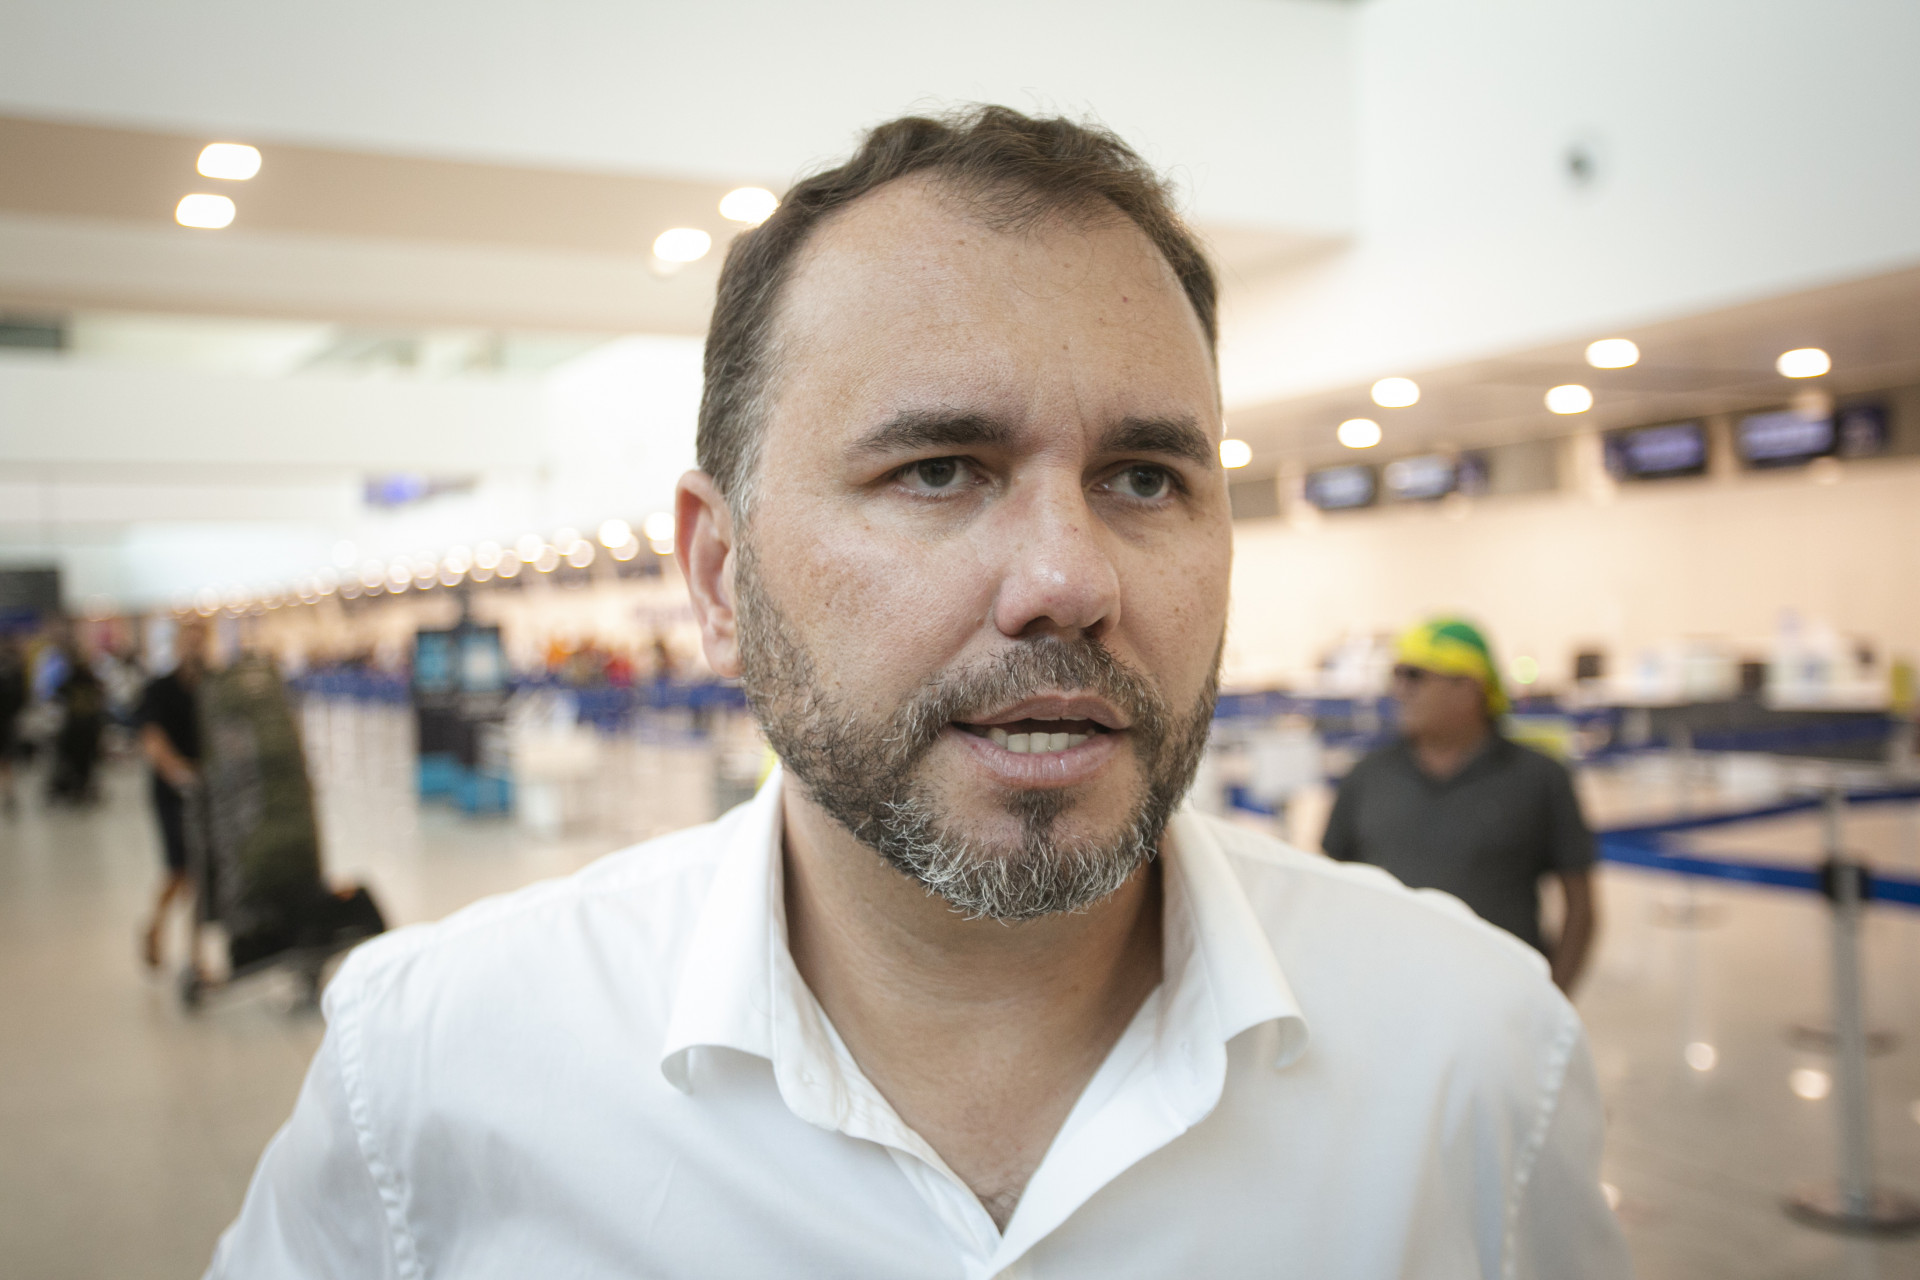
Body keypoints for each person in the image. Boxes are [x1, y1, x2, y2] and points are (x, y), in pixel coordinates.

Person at [209, 107, 1628, 1277]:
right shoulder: (438, 1073)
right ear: (718, 574)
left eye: (1145, 478)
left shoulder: (1473, 1058)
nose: (1069, 579)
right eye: (939, 471)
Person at [1323, 618, 1600, 992]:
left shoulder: (1539, 778)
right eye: (1396, 676)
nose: (1400, 690)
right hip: (1385, 994)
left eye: (1414, 676)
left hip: (1502, 1001)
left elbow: (1580, 906)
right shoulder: (1367, 776)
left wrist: (1554, 1002)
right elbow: (1330, 888)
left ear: (1468, 687)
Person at [137, 621, 207, 974]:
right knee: (179, 871)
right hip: (171, 792)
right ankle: (155, 925)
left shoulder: (210, 686)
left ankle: (196, 957)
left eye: (200, 641)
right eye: (189, 642)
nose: (194, 648)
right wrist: (177, 772)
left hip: (208, 792)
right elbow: (152, 738)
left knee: (202, 874)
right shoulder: (159, 689)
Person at [46, 645, 107, 805]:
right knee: (85, 762)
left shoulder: (70, 681)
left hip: (76, 727)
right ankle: (82, 787)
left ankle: (79, 788)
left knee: (76, 760)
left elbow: (56, 696)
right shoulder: (92, 681)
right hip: (88, 727)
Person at [0, 636, 25, 814]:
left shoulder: (12, 673)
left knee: (6, 760)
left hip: (6, 722)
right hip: (8, 722)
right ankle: (9, 793)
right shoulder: (14, 672)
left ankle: (9, 793)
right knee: (6, 760)